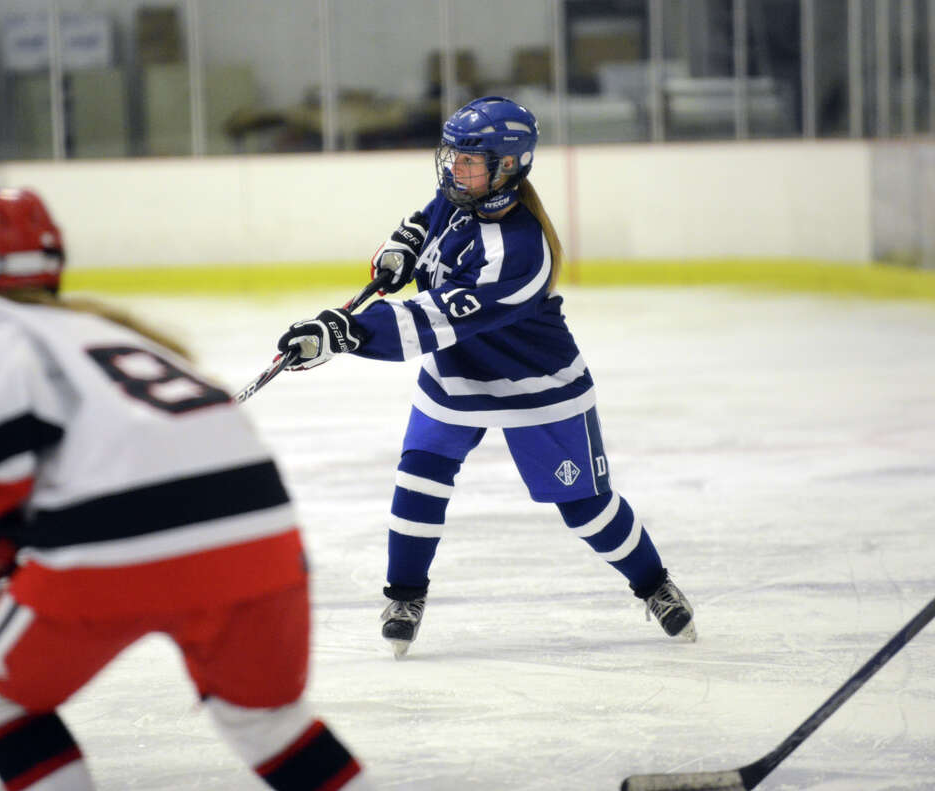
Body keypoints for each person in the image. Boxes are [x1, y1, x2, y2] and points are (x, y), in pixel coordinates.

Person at [0, 188, 372, 791]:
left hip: (115, 545)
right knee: (268, 725)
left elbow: (3, 457)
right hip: (263, 535)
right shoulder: (106, 328)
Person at [276, 96, 696, 658]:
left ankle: (654, 585)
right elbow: (424, 219)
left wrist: (346, 332)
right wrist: (402, 247)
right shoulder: (459, 197)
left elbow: (436, 320)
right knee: (419, 480)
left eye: (470, 161)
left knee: (585, 507)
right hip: (458, 377)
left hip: (536, 386)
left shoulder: (521, 252)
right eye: (451, 157)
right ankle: (405, 596)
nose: (454, 169)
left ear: (509, 166)